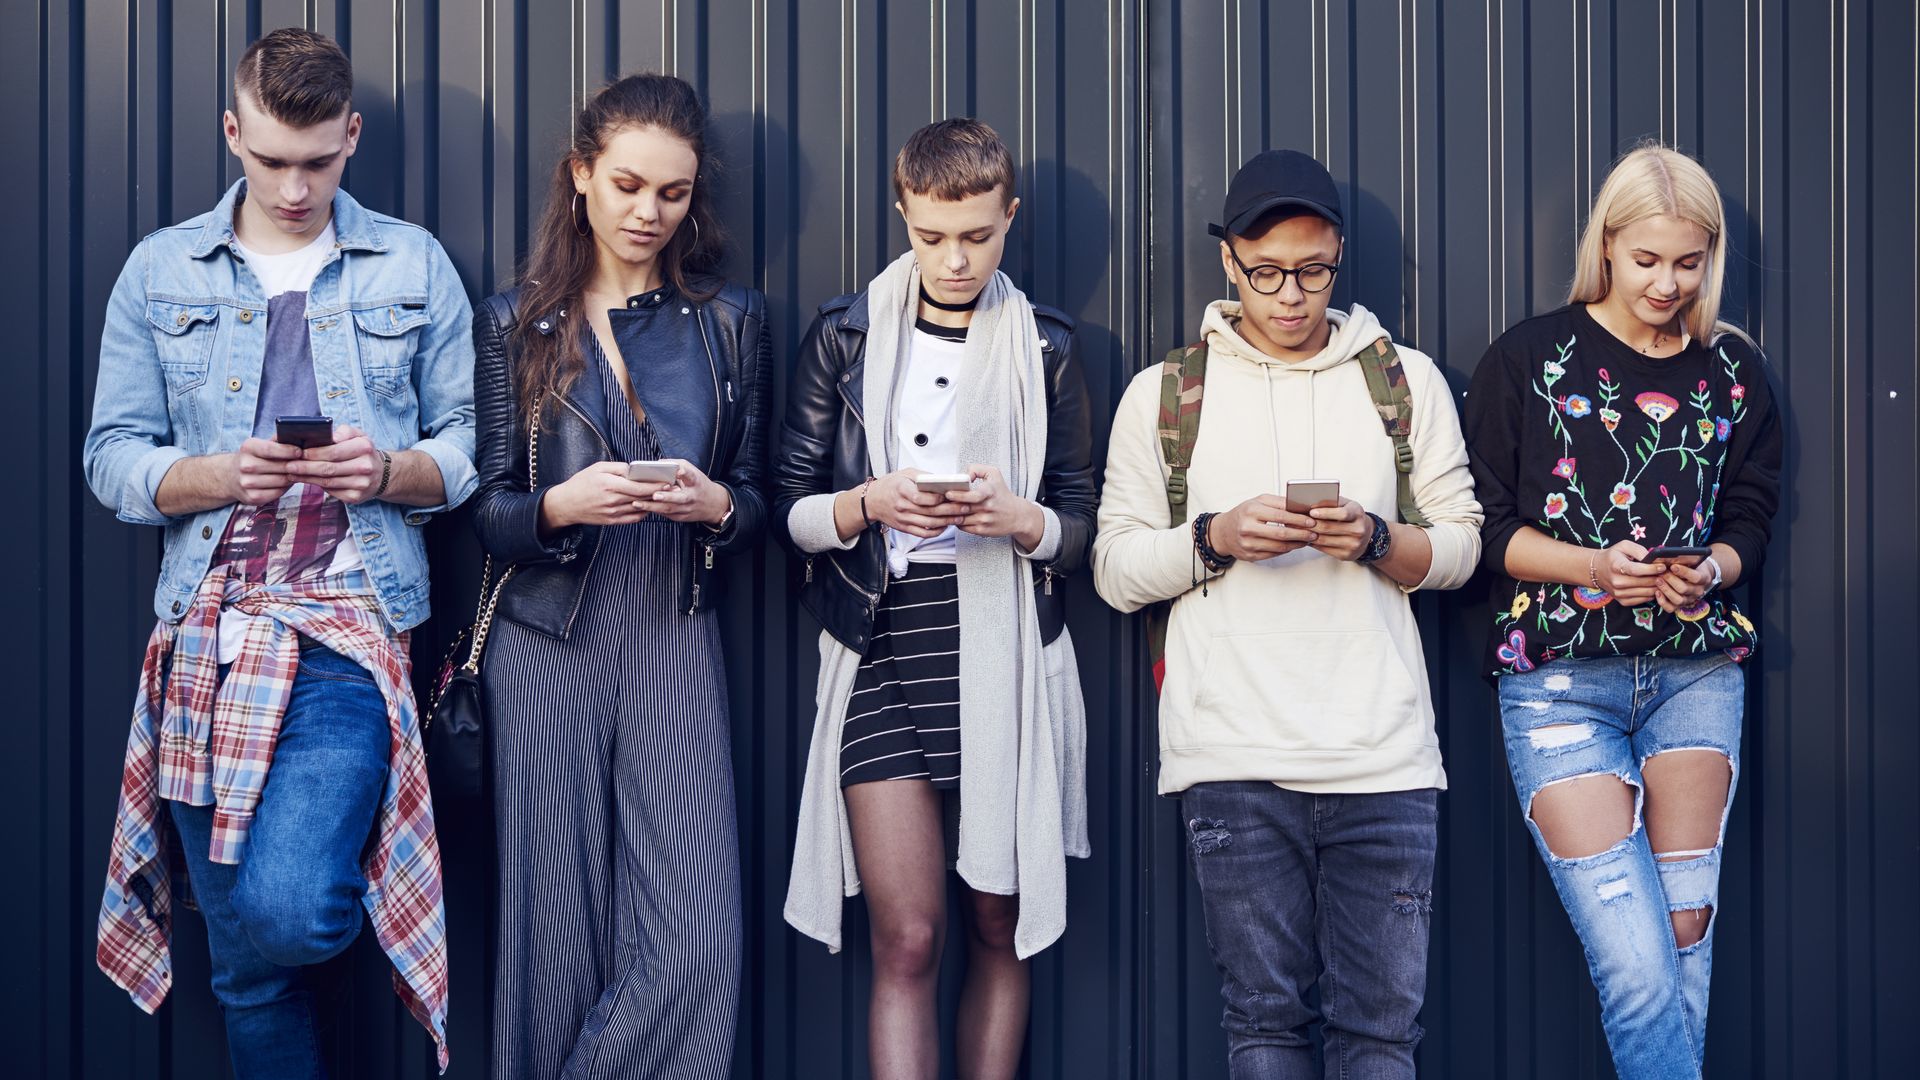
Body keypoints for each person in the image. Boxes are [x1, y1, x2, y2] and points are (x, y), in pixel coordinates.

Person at [86, 27, 475, 1077]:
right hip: (203, 640)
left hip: (345, 638)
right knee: (247, 981)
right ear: (231, 133)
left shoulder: (411, 263)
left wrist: (385, 473)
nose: (294, 186)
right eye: (269, 160)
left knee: (292, 916)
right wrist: (220, 475)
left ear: (352, 136)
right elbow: (110, 456)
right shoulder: (162, 269)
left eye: (317, 159)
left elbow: (467, 456)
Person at [1092, 149, 1482, 1078]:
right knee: (1262, 1027)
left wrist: (1379, 540)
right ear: (1228, 260)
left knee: (1382, 1039)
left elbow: (1464, 547)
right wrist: (1214, 535)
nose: (1291, 297)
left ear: (1338, 255)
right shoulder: (1166, 395)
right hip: (1232, 760)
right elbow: (1112, 567)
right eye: (1266, 272)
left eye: (1312, 272)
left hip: (1383, 763)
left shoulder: (1404, 382)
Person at [773, 117, 1095, 1079]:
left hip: (1001, 640)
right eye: (932, 236)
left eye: (978, 236)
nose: (955, 259)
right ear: (904, 215)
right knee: (906, 936)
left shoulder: (1048, 346)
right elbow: (786, 509)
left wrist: (1018, 519)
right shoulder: (845, 335)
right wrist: (868, 501)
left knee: (996, 917)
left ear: (1010, 220)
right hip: (879, 636)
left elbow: (1081, 525)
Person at [468, 73, 769, 1080]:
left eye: (673, 194)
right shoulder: (515, 321)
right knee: (551, 934)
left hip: (671, 622)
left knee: (700, 938)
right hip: (547, 637)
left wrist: (717, 506)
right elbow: (490, 513)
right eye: (629, 185)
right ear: (582, 176)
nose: (648, 213)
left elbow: (760, 499)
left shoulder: (731, 324)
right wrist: (563, 504)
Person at [1462, 144, 1781, 1078]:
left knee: (1685, 937)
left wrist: (1709, 570)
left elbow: (1750, 517)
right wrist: (1595, 564)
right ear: (1605, 244)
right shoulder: (1528, 358)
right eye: (1646, 260)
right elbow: (1485, 532)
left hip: (1695, 679)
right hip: (1559, 686)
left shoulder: (1732, 373)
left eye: (1689, 262)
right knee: (1638, 964)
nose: (1668, 283)